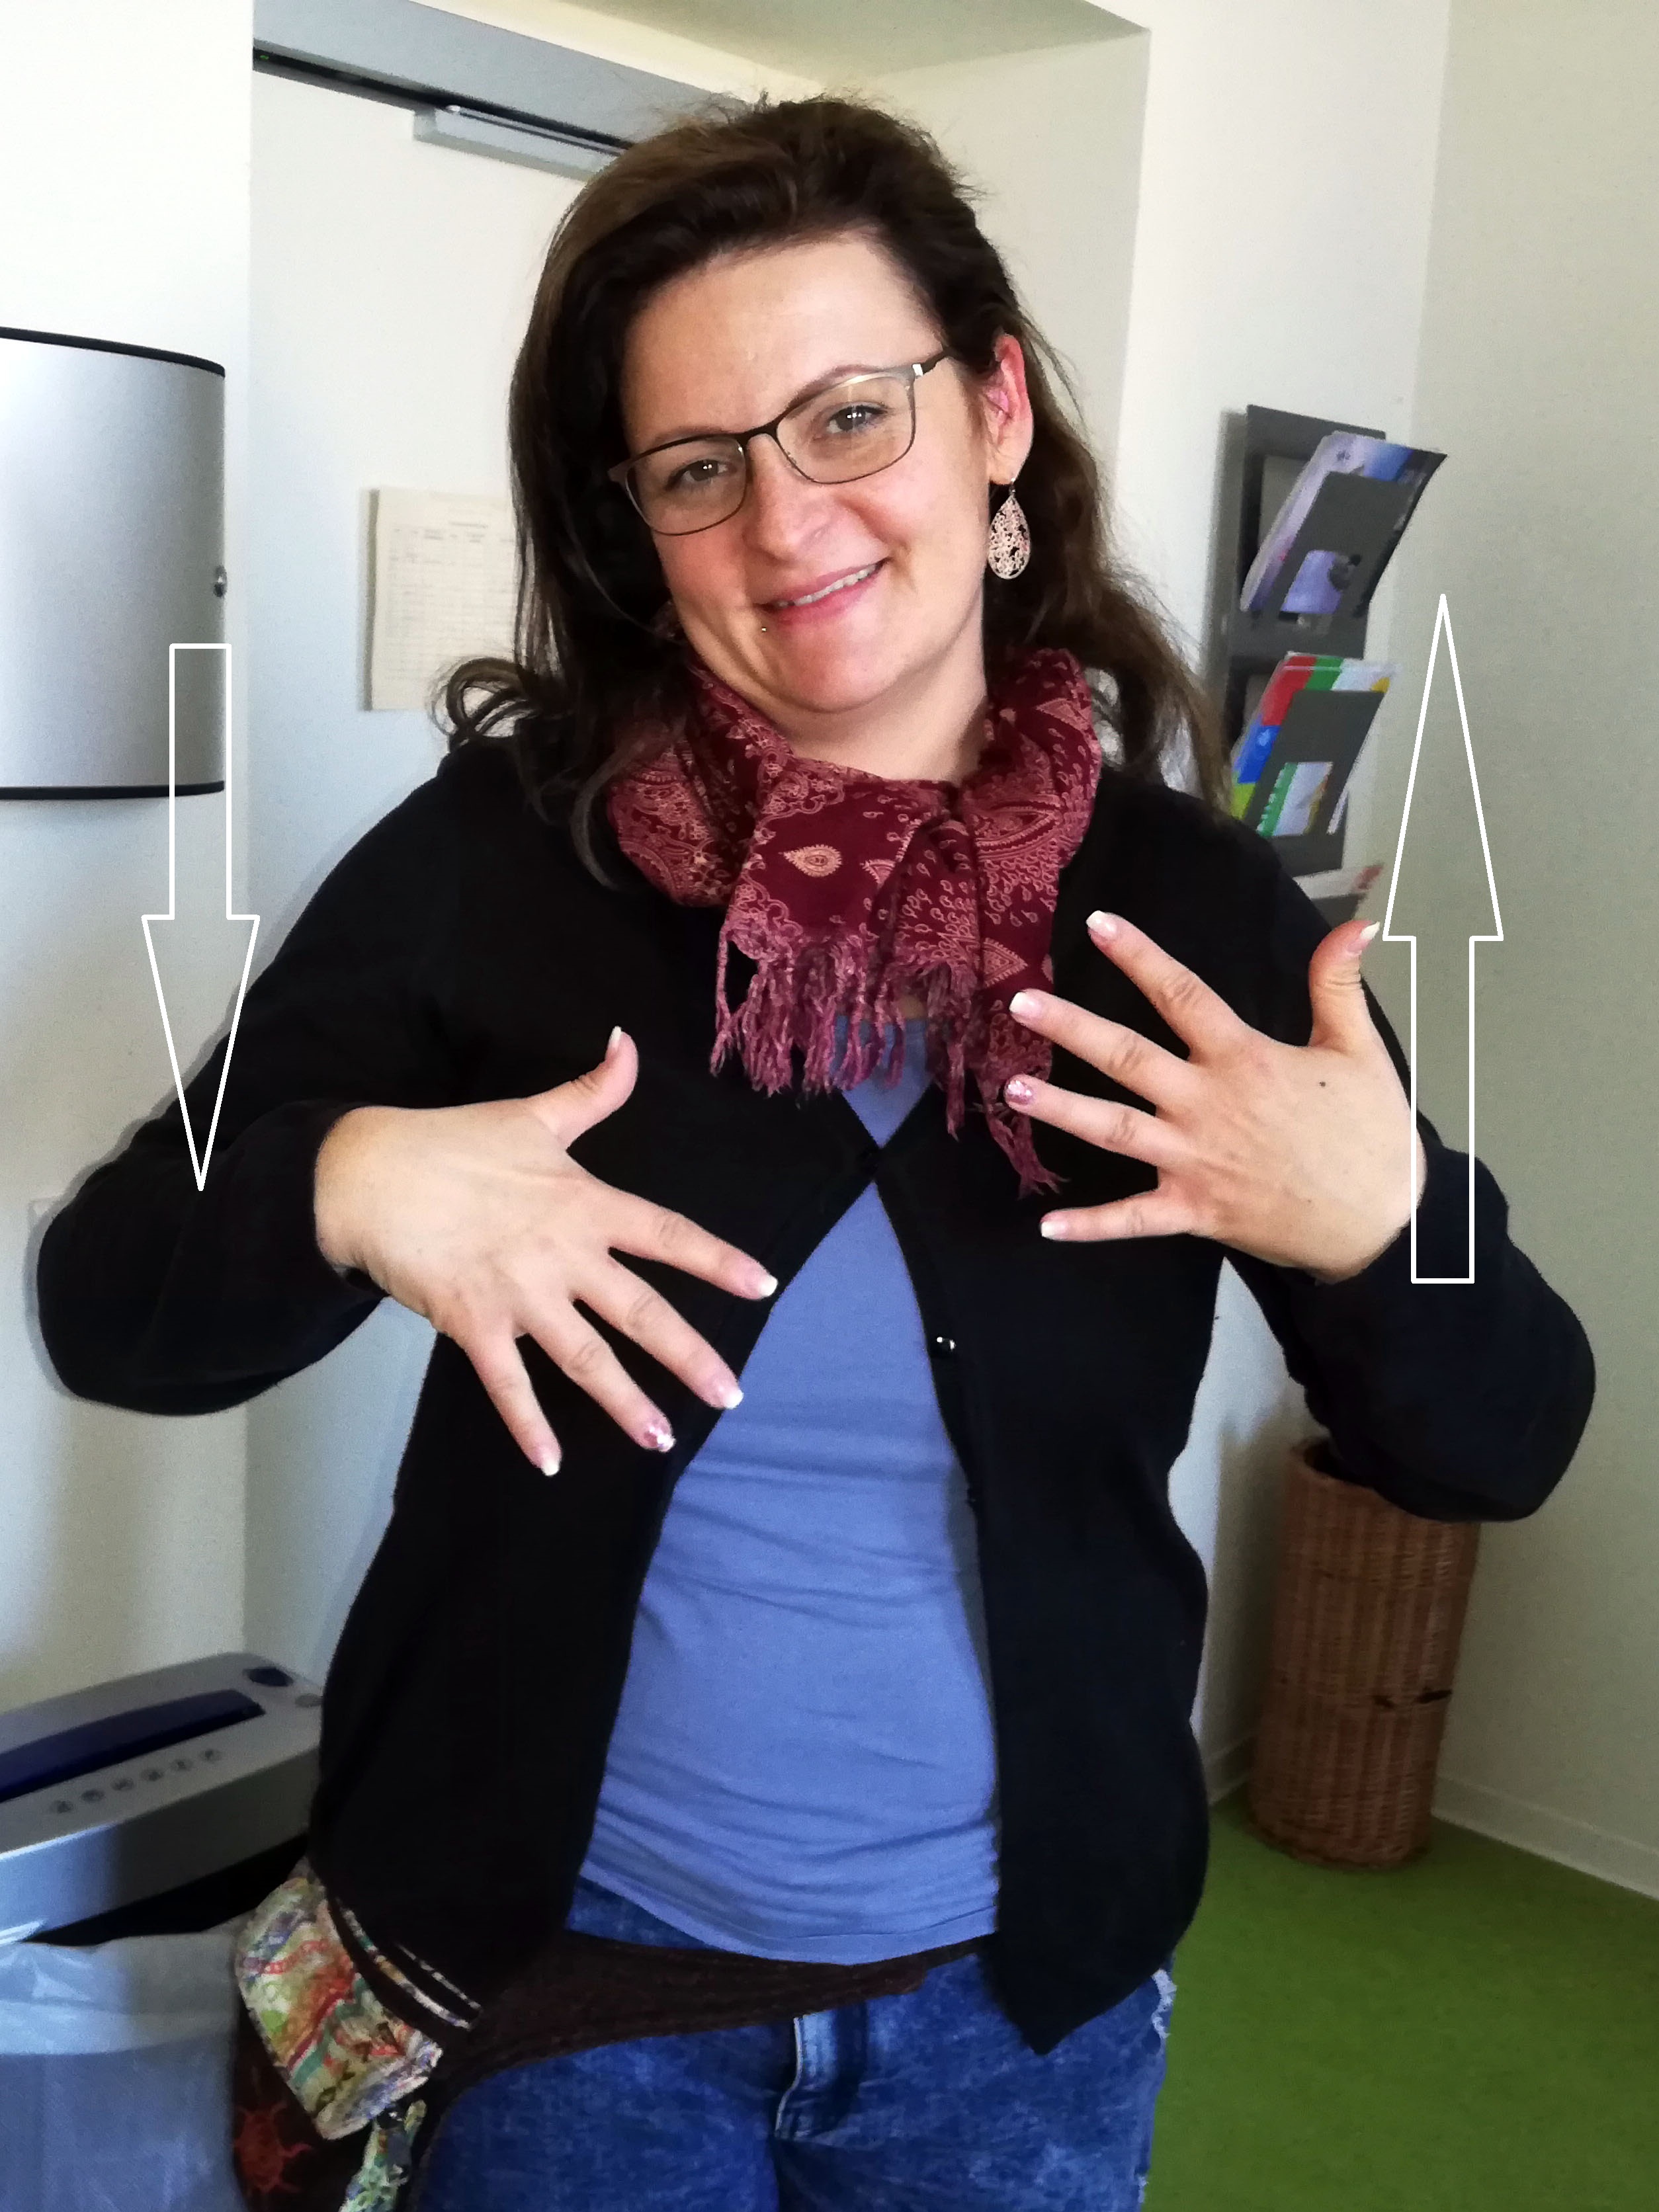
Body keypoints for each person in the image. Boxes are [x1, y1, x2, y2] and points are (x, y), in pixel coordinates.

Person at [35, 92, 1594, 2212]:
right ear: (636, 529)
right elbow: (112, 1299)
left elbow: (1503, 1437)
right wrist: (345, 1178)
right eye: (699, 467)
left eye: (851, 416)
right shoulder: (505, 862)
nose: (787, 523)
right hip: (568, 1997)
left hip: (1015, 2021)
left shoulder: (1192, 919)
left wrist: (1384, 1223)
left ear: (996, 414)